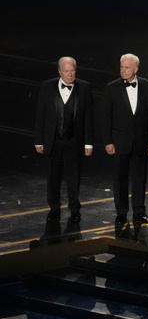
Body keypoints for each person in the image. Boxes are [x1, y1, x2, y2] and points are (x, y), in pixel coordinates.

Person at [100, 53, 148, 224]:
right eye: (121, 67)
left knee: (140, 178)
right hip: (119, 142)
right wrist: (108, 141)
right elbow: (106, 118)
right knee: (120, 178)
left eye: (127, 67)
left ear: (136, 69)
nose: (123, 70)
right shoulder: (111, 87)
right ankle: (121, 212)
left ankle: (139, 211)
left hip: (142, 141)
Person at [34, 56, 94, 224]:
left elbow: (89, 117)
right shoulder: (47, 86)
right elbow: (41, 115)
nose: (70, 74)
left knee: (74, 177)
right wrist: (39, 140)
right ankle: (54, 209)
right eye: (66, 71)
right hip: (53, 140)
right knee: (53, 176)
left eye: (72, 70)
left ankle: (74, 209)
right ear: (59, 71)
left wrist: (88, 142)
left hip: (74, 141)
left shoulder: (84, 87)